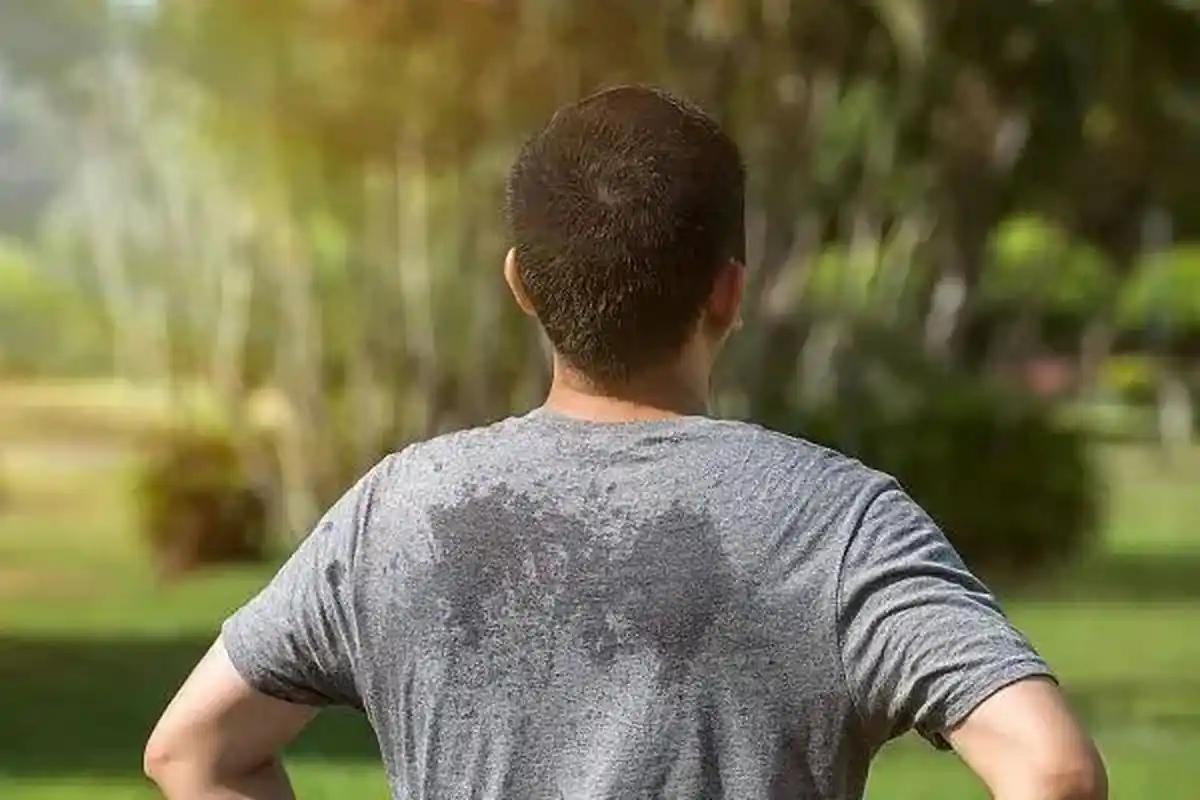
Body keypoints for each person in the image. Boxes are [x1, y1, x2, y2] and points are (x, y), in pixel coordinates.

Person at [145, 85, 1106, 800]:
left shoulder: (398, 513)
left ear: (521, 284)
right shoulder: (839, 523)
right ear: (729, 291)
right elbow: (1052, 770)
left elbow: (192, 752)